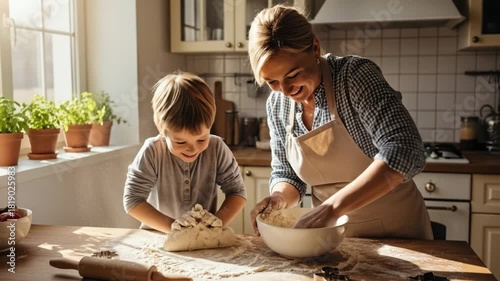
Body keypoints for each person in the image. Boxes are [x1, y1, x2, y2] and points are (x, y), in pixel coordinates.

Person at [247, 5, 433, 239]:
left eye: (292, 75)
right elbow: (288, 174)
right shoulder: (277, 104)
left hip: (398, 234)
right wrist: (279, 197)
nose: (284, 90)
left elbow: (405, 149)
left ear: (314, 48)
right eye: (272, 81)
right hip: (330, 239)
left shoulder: (352, 77)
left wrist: (331, 208)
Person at [123, 72, 246, 233]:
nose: (193, 148)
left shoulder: (217, 148)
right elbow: (132, 200)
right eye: (180, 142)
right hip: (158, 239)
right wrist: (175, 228)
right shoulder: (152, 151)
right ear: (162, 131)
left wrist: (215, 225)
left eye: (201, 139)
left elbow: (237, 192)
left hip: (203, 236)